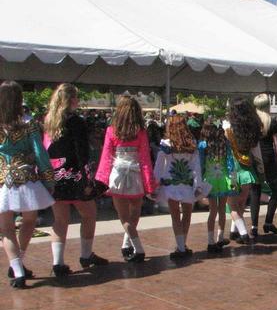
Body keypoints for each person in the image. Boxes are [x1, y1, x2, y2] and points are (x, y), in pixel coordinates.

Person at [43, 83, 108, 278]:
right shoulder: (76, 122)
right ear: (71, 100)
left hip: (55, 176)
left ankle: (58, 262)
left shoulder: (49, 121)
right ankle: (86, 254)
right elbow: (82, 152)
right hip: (75, 176)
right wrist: (88, 180)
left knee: (60, 220)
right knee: (89, 214)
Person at [0, 82, 54, 288]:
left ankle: (17, 268)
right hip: (26, 178)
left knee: (6, 228)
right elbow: (40, 154)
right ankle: (18, 264)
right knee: (29, 221)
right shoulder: (28, 124)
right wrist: (49, 179)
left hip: (2, 179)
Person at [95, 95, 157, 263]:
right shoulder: (141, 132)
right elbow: (145, 159)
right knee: (134, 214)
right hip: (136, 175)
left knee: (124, 217)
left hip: (117, 176)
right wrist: (150, 184)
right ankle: (127, 244)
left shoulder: (111, 130)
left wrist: (101, 180)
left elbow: (106, 157)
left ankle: (138, 248)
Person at [154, 115, 208, 259]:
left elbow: (158, 167)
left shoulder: (166, 144)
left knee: (175, 217)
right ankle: (182, 246)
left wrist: (154, 185)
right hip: (188, 186)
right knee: (187, 216)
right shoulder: (191, 144)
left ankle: (181, 247)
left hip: (171, 185)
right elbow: (196, 167)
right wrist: (198, 185)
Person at [226, 98, 263, 245]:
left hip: (232, 170)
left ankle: (243, 233)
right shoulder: (253, 128)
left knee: (232, 205)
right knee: (241, 203)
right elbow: (256, 151)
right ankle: (234, 231)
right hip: (247, 169)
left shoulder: (227, 128)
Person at [250, 94, 277, 236]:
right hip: (269, 158)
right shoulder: (272, 122)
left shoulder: (251, 122)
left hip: (254, 158)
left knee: (255, 192)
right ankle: (268, 222)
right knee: (276, 190)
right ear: (267, 106)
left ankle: (253, 226)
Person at [199, 121, 235, 253]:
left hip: (210, 179)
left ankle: (210, 240)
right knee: (222, 210)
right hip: (224, 179)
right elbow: (231, 163)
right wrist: (233, 180)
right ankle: (220, 237)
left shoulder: (203, 145)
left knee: (212, 211)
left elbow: (201, 164)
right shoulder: (225, 144)